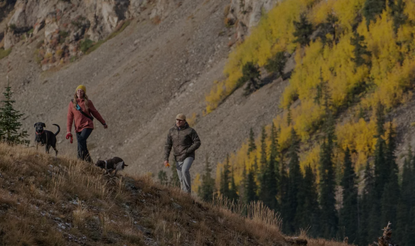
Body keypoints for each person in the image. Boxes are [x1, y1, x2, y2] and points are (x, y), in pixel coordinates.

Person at [66, 85, 107, 162]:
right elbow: (69, 118)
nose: (79, 92)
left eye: (81, 91)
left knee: (81, 141)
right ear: (76, 92)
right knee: (81, 144)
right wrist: (68, 131)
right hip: (78, 128)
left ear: (84, 93)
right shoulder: (72, 103)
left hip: (87, 125)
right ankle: (89, 161)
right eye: (78, 90)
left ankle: (80, 160)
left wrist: (103, 122)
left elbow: (95, 113)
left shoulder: (88, 102)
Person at [164, 114, 201, 193]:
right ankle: (184, 195)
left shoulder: (190, 131)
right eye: (177, 120)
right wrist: (166, 159)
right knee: (181, 178)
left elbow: (197, 142)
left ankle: (187, 193)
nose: (178, 121)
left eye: (180, 120)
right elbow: (168, 145)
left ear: (184, 121)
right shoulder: (171, 131)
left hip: (188, 155)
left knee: (184, 171)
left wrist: (188, 150)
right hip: (178, 157)